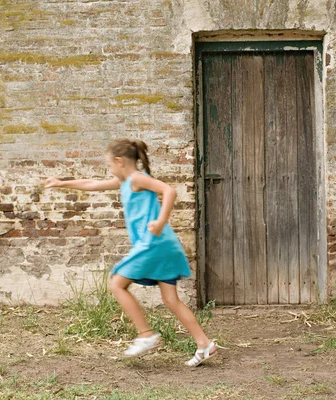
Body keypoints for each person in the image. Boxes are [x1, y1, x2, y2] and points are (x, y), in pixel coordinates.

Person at [45, 138, 217, 365]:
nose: (109, 170)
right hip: (164, 245)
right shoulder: (124, 181)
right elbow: (92, 184)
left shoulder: (137, 179)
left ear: (119, 161)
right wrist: (61, 183)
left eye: (110, 164)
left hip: (152, 243)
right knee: (170, 299)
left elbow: (169, 191)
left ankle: (145, 335)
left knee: (117, 284)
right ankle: (204, 344)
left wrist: (160, 221)